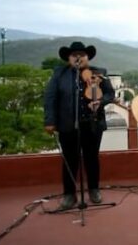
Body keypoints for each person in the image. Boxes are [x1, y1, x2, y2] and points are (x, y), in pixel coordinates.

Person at [44, 41, 115, 210]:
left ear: (87, 57)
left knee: (92, 158)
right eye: (74, 55)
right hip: (68, 124)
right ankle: (69, 194)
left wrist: (100, 102)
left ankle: (94, 190)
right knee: (70, 159)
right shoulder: (59, 74)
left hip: (92, 124)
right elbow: (50, 97)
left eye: (81, 55)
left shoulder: (99, 73)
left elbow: (110, 93)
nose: (78, 58)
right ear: (69, 58)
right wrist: (50, 121)